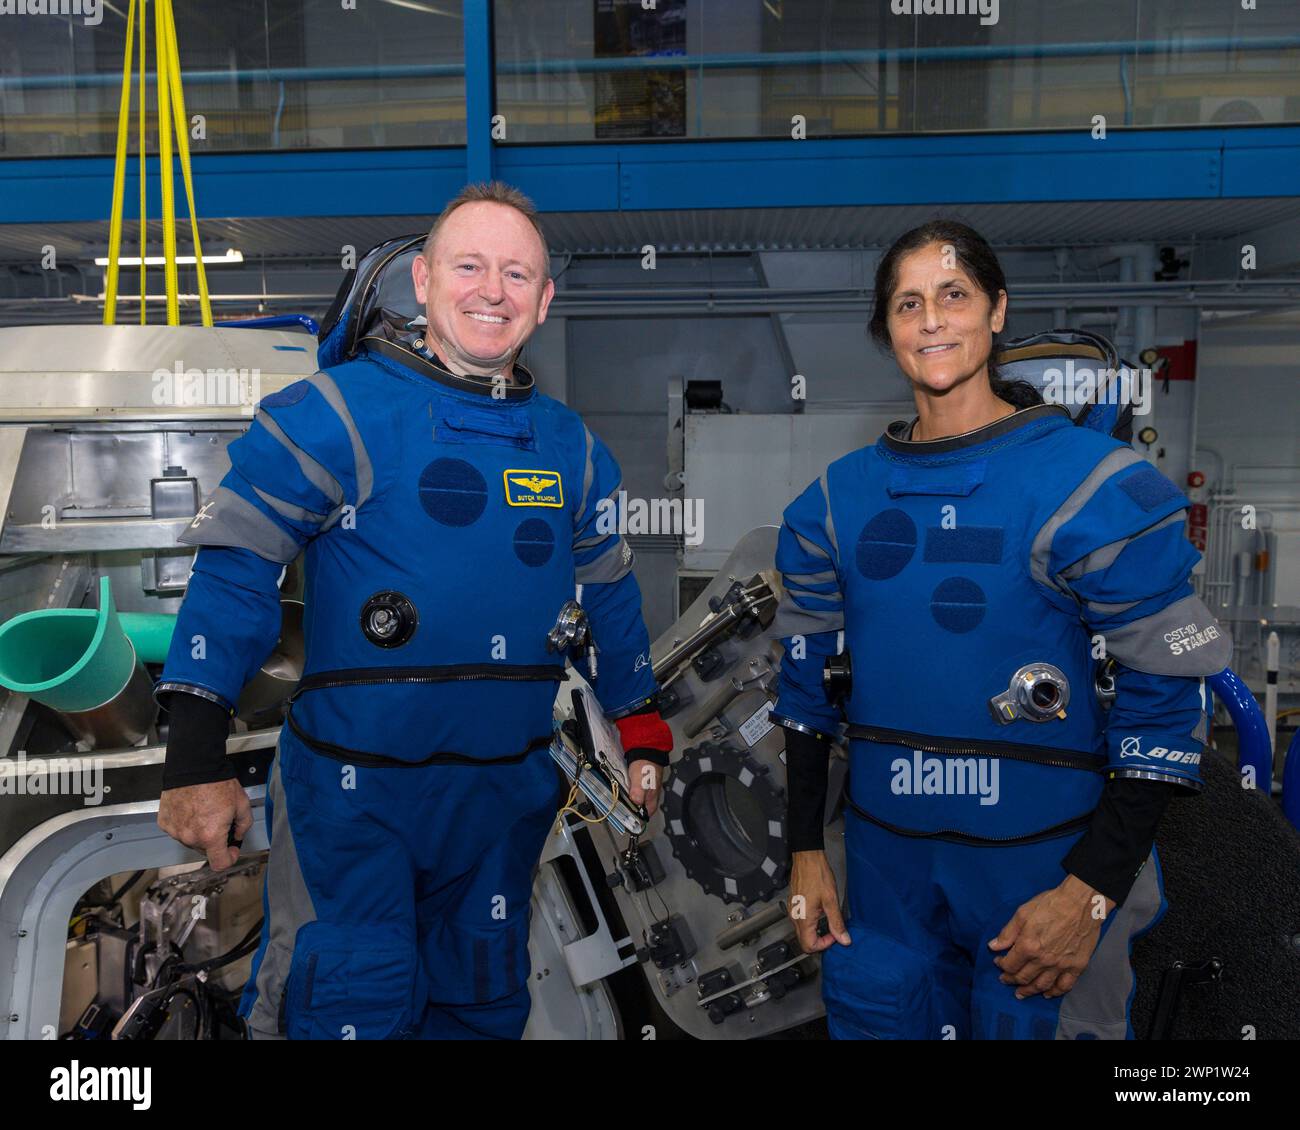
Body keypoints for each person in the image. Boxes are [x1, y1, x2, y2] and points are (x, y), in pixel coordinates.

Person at [154, 181, 673, 1039]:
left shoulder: (573, 448)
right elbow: (236, 574)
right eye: (469, 265)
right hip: (354, 804)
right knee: (344, 1001)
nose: (492, 290)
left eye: (517, 274)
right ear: (424, 281)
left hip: (503, 803)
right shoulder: (333, 414)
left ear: (544, 301)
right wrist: (192, 761)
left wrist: (641, 727)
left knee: (483, 1001)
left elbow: (610, 594)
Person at [772, 220, 1230, 1040]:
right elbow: (805, 696)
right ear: (887, 331)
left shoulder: (1092, 487)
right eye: (908, 303)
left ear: (996, 312)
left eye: (955, 295)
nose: (933, 320)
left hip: (1043, 878)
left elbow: (1162, 718)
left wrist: (1089, 895)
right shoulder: (834, 506)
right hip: (885, 881)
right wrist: (806, 851)